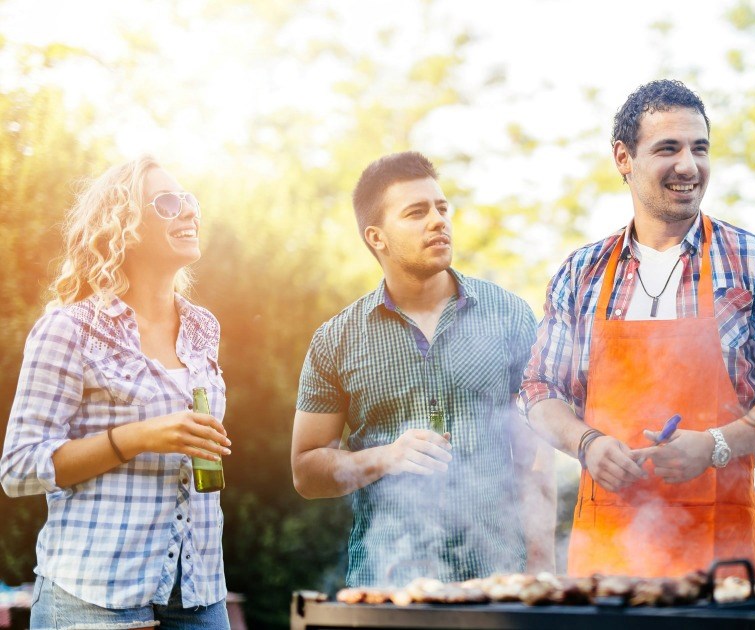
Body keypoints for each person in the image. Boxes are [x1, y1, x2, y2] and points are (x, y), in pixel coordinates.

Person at [520, 79, 755, 578]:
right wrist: (586, 444)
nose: (689, 166)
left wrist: (717, 445)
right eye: (668, 148)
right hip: (607, 550)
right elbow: (539, 390)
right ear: (623, 158)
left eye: (700, 148)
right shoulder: (580, 273)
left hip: (721, 550)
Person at [290, 151, 553, 587]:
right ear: (377, 237)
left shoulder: (509, 315)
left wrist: (541, 569)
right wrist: (386, 458)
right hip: (388, 584)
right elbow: (305, 472)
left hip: (496, 583)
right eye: (417, 212)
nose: (438, 221)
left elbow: (536, 458)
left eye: (442, 208)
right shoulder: (335, 340)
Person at [1, 156, 233, 629]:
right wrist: (138, 436)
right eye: (169, 203)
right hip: (94, 600)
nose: (189, 212)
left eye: (190, 201)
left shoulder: (202, 327)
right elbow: (19, 468)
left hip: (198, 595)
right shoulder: (69, 329)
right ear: (123, 225)